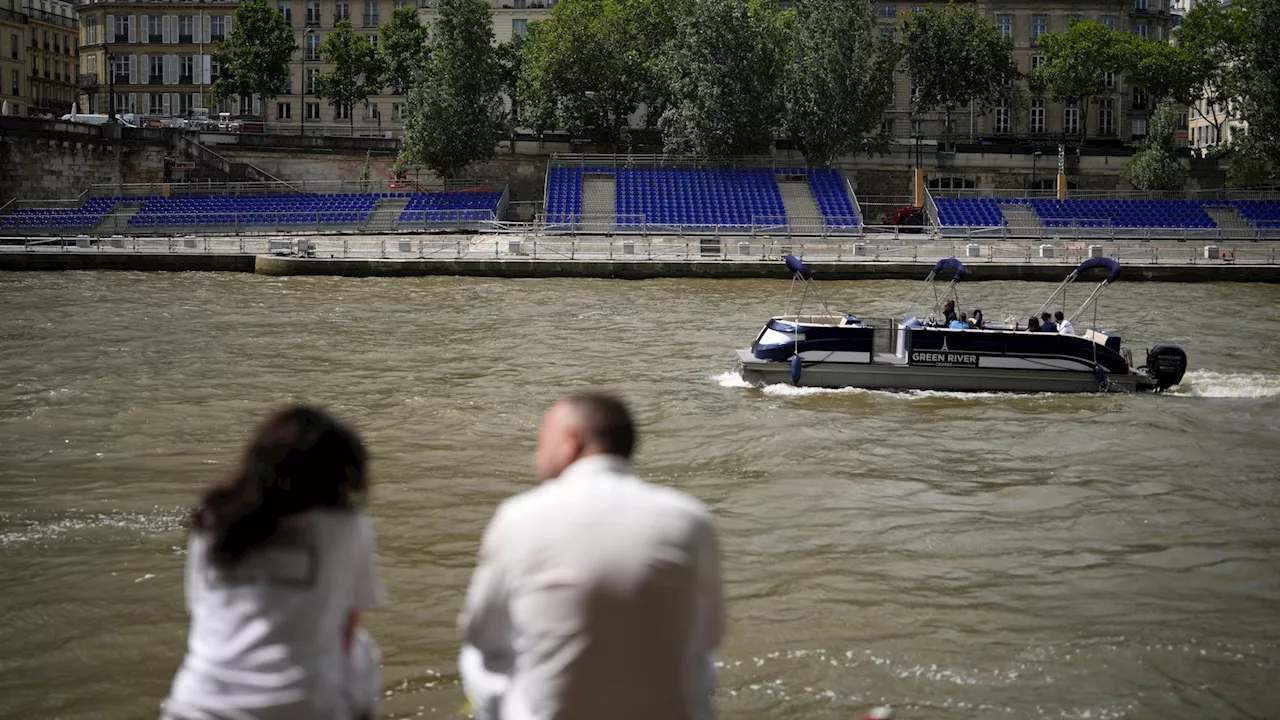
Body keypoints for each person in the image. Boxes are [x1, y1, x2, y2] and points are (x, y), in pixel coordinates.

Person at [459, 393, 725, 720]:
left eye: (543, 438)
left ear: (571, 442)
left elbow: (481, 634)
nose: (537, 451)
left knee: (475, 656)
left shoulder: (519, 516)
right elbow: (711, 634)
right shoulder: (691, 518)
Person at [163, 406, 382, 720]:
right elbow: (348, 627)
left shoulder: (213, 519)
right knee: (362, 652)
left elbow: (200, 612)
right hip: (304, 706)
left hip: (197, 703)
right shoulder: (345, 526)